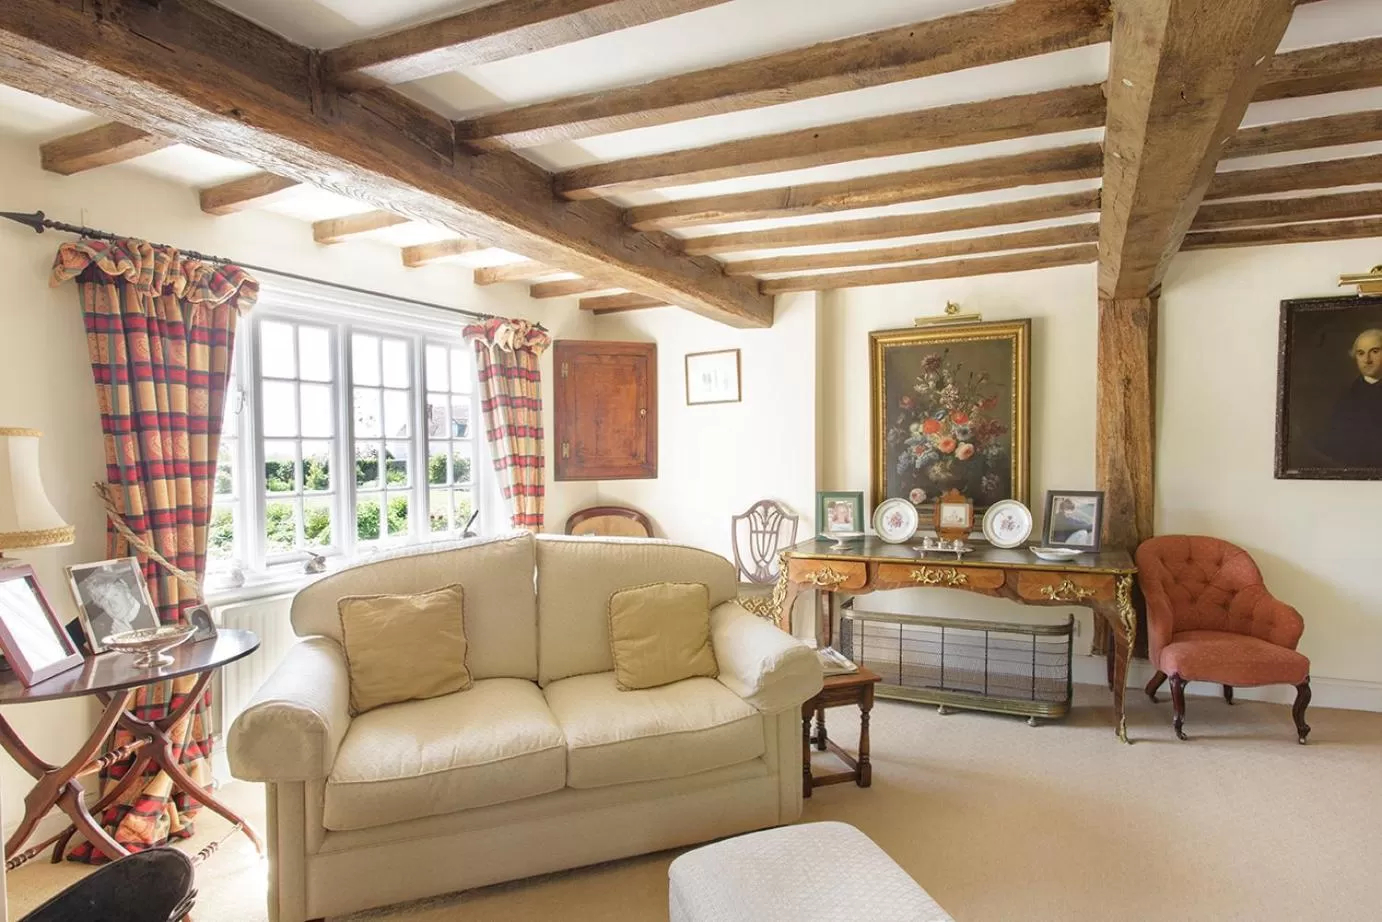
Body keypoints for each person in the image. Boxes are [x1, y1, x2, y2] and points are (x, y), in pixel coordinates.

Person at [1317, 328, 1382, 468]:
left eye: (1375, 351)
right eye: (1361, 353)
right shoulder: (1345, 398)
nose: (1367, 360)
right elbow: (1334, 446)